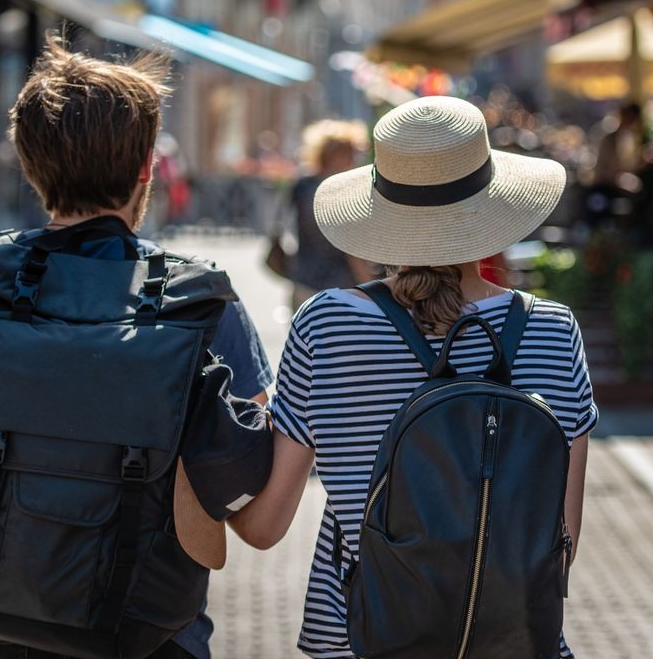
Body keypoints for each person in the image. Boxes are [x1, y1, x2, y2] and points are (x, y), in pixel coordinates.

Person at [0, 37, 275, 659]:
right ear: (147, 166)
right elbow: (249, 491)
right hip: (156, 636)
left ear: (29, 165)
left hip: (9, 627)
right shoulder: (202, 303)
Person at [229, 96, 598, 659]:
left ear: (380, 210)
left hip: (361, 641)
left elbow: (264, 529)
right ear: (491, 205)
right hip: (513, 640)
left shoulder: (326, 324)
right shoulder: (551, 329)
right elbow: (559, 544)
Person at [280, 119, 376, 308]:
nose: (355, 160)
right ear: (336, 155)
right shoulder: (342, 191)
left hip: (303, 280)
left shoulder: (302, 185)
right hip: (340, 287)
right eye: (352, 153)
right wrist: (371, 288)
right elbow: (352, 247)